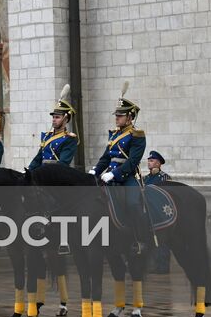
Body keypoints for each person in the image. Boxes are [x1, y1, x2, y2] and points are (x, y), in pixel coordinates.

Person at [92, 94, 150, 248]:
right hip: (108, 177)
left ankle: (140, 239)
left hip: (127, 177)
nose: (116, 118)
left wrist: (114, 174)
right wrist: (95, 171)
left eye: (120, 115)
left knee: (133, 204)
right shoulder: (115, 134)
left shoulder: (137, 136)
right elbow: (106, 158)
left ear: (130, 117)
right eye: (116, 115)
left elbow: (132, 162)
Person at [29, 92, 80, 170]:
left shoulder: (69, 139)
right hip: (42, 174)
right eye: (53, 117)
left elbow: (63, 163)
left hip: (57, 176)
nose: (54, 120)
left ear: (65, 119)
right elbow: (38, 159)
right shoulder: (47, 136)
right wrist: (28, 171)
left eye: (57, 117)